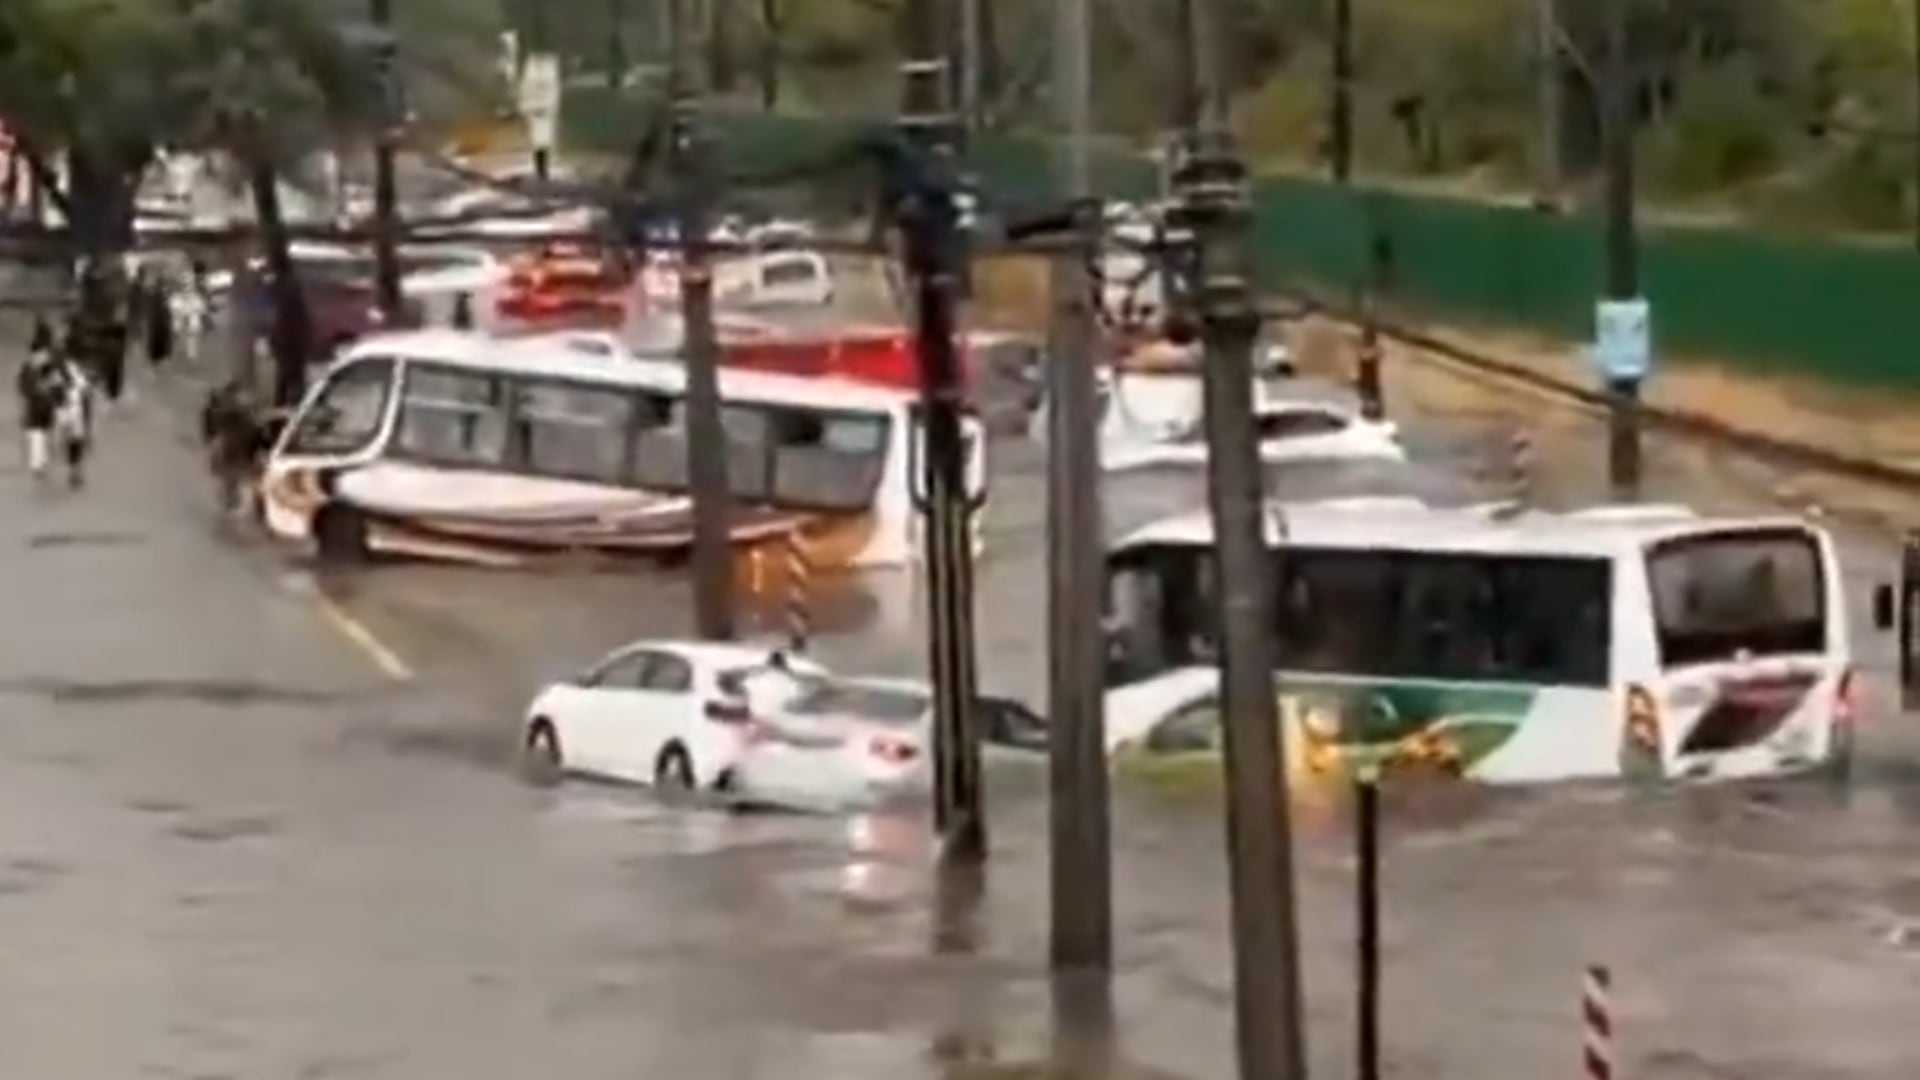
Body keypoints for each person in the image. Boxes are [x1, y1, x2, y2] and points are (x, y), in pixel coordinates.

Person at [16, 317, 65, 480]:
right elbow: (24, 386)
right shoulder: (30, 368)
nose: (42, 357)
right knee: (37, 435)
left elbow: (57, 385)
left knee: (41, 435)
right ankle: (37, 463)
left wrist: (57, 397)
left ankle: (40, 461)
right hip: (36, 407)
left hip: (44, 407)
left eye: (43, 354)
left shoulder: (45, 367)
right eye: (40, 354)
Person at [51, 350, 93, 489]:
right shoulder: (69, 372)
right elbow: (85, 390)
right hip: (71, 411)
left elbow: (85, 389)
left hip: (67, 411)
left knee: (73, 443)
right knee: (75, 442)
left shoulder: (62, 373)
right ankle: (75, 471)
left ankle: (74, 471)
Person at [144, 267, 175, 369]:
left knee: (164, 338)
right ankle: (157, 359)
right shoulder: (155, 293)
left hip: (161, 318)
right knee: (159, 338)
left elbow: (168, 305)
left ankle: (162, 359)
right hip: (157, 319)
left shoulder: (162, 292)